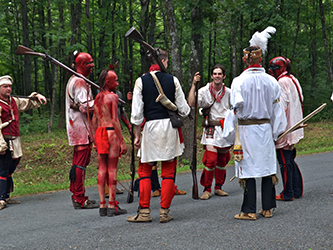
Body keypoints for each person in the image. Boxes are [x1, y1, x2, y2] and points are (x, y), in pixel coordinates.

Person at [223, 27, 287, 220]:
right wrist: (277, 132)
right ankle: (268, 208)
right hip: (266, 130)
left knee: (248, 168)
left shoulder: (238, 82)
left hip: (245, 131)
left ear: (245, 59)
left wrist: (229, 134)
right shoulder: (271, 81)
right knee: (267, 166)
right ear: (261, 58)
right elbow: (278, 111)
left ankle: (249, 210)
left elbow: (234, 110)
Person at [127, 48, 190, 223]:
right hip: (169, 128)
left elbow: (137, 115)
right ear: (164, 61)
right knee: (168, 171)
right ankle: (164, 212)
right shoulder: (173, 80)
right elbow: (184, 110)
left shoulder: (141, 81)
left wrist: (137, 135)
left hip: (150, 129)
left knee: (145, 170)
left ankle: (145, 212)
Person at [0, 75, 47, 210]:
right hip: (4, 140)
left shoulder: (13, 100)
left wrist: (37, 96)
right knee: (2, 169)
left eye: (9, 87)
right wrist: (1, 145)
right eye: (5, 87)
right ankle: (1, 198)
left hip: (14, 140)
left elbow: (27, 102)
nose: (8, 89)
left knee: (11, 167)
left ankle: (7, 195)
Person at [188, 65, 232, 200]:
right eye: (215, 74)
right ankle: (207, 188)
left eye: (220, 74)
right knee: (211, 160)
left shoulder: (229, 92)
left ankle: (218, 187)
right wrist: (194, 85)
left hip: (224, 128)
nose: (217, 76)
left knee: (222, 160)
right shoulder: (204, 90)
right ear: (212, 76)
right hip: (211, 129)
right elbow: (191, 102)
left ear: (224, 76)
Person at [92, 68, 128, 217]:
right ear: (108, 82)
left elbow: (94, 120)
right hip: (110, 132)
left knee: (102, 168)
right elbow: (115, 120)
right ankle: (112, 204)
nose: (118, 83)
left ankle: (102, 205)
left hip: (100, 132)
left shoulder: (98, 98)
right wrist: (122, 141)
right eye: (116, 80)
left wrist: (95, 139)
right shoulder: (112, 97)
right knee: (112, 169)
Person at [65, 52, 98, 209]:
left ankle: (77, 194)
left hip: (77, 127)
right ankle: (79, 197)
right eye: (89, 64)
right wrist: (100, 101)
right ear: (83, 65)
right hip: (81, 128)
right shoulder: (79, 82)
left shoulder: (76, 80)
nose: (92, 68)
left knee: (78, 163)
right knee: (80, 164)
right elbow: (84, 106)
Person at [269, 56, 304, 201]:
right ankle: (296, 190)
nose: (272, 72)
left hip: (286, 127)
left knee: (284, 161)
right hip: (294, 125)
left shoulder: (282, 82)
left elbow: (281, 108)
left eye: (275, 69)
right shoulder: (292, 79)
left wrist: (276, 128)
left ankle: (288, 193)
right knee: (289, 159)